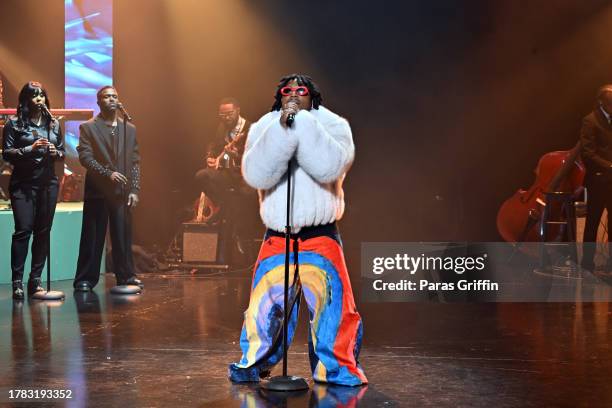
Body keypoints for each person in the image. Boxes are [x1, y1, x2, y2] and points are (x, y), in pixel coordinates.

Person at [228, 74, 367, 386]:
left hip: (320, 233)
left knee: (332, 308)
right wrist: (282, 130)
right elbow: (257, 175)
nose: (293, 95)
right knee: (264, 309)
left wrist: (302, 124)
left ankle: (335, 369)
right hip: (278, 234)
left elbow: (329, 167)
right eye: (286, 91)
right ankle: (254, 364)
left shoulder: (333, 125)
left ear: (312, 95)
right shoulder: (265, 126)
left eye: (300, 90)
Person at [73, 86, 142, 291]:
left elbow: (135, 160)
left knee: (122, 235)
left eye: (114, 96)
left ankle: (126, 276)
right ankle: (85, 278)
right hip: (98, 189)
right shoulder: (88, 127)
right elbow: (85, 157)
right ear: (98, 102)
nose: (111, 99)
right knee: (93, 236)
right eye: (106, 97)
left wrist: (135, 189)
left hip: (121, 191)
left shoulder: (129, 128)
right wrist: (107, 173)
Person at [2, 81, 65, 299]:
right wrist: (31, 148)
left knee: (43, 231)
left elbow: (63, 153)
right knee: (23, 230)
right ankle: (17, 281)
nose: (39, 98)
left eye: (42, 95)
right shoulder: (15, 123)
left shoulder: (54, 124)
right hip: (23, 184)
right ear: (26, 99)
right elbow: (7, 153)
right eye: (34, 95)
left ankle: (35, 280)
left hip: (48, 183)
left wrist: (54, 151)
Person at [194, 97, 255, 257]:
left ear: (238, 111)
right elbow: (214, 145)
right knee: (202, 176)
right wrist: (210, 156)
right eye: (222, 115)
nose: (226, 118)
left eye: (229, 114)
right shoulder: (222, 127)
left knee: (241, 199)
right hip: (227, 175)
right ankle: (223, 206)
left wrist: (238, 155)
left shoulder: (250, 129)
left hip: (245, 177)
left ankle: (226, 212)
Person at [581, 85, 612, 273]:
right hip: (599, 181)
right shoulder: (590, 120)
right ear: (602, 102)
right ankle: (586, 264)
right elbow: (587, 153)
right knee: (592, 223)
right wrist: (609, 166)